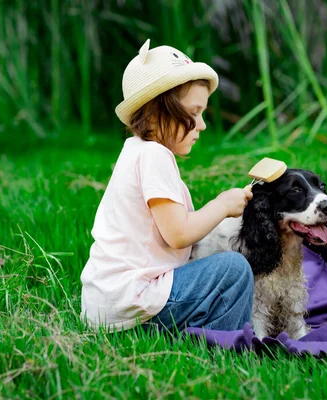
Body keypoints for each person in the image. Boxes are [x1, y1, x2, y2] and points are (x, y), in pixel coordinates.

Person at [80, 39, 254, 334]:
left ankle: (199, 328)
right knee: (234, 271)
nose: (202, 125)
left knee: (213, 262)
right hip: (133, 305)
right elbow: (179, 234)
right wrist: (221, 206)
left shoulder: (138, 152)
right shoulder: (154, 156)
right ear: (156, 112)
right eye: (194, 113)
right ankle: (221, 344)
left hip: (111, 302)